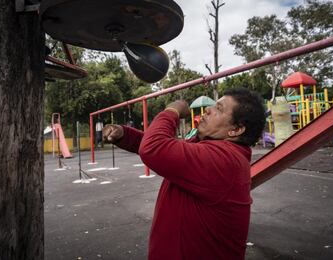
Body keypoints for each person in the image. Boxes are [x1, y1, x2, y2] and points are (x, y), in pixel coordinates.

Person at [103, 88, 266, 260]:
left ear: (236, 129)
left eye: (219, 108)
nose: (208, 110)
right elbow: (167, 149)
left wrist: (173, 110)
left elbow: (154, 148)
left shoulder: (224, 160)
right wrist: (124, 135)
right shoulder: (215, 151)